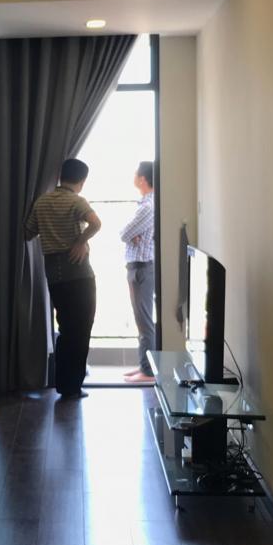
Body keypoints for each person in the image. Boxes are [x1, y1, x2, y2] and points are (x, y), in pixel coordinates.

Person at [24, 158, 102, 400]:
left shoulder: (42, 202)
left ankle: (63, 384)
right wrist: (80, 241)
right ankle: (73, 386)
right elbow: (96, 223)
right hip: (79, 274)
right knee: (82, 329)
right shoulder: (76, 201)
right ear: (81, 180)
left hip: (54, 276)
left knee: (66, 328)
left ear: (61, 176)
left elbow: (28, 233)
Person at [121, 160, 156, 384]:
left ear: (142, 179)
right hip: (141, 266)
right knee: (142, 320)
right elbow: (129, 234)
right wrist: (131, 234)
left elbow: (124, 233)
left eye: (136, 173)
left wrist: (130, 235)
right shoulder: (147, 204)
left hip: (141, 267)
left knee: (144, 321)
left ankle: (149, 371)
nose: (134, 176)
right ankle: (144, 365)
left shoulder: (147, 207)